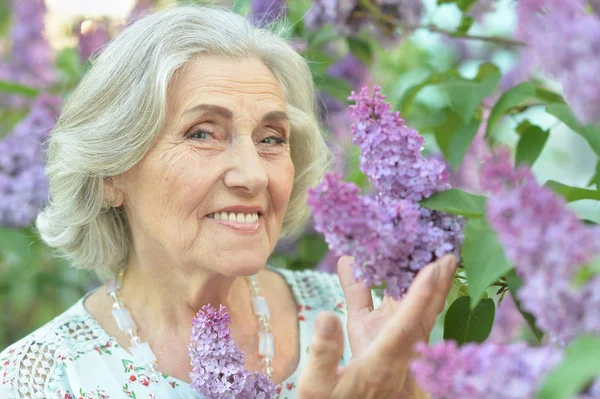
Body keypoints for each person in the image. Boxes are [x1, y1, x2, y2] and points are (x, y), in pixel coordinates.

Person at [0, 5, 456, 399]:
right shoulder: (39, 379)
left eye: (271, 138)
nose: (254, 173)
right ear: (111, 173)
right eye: (202, 133)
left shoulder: (350, 317)